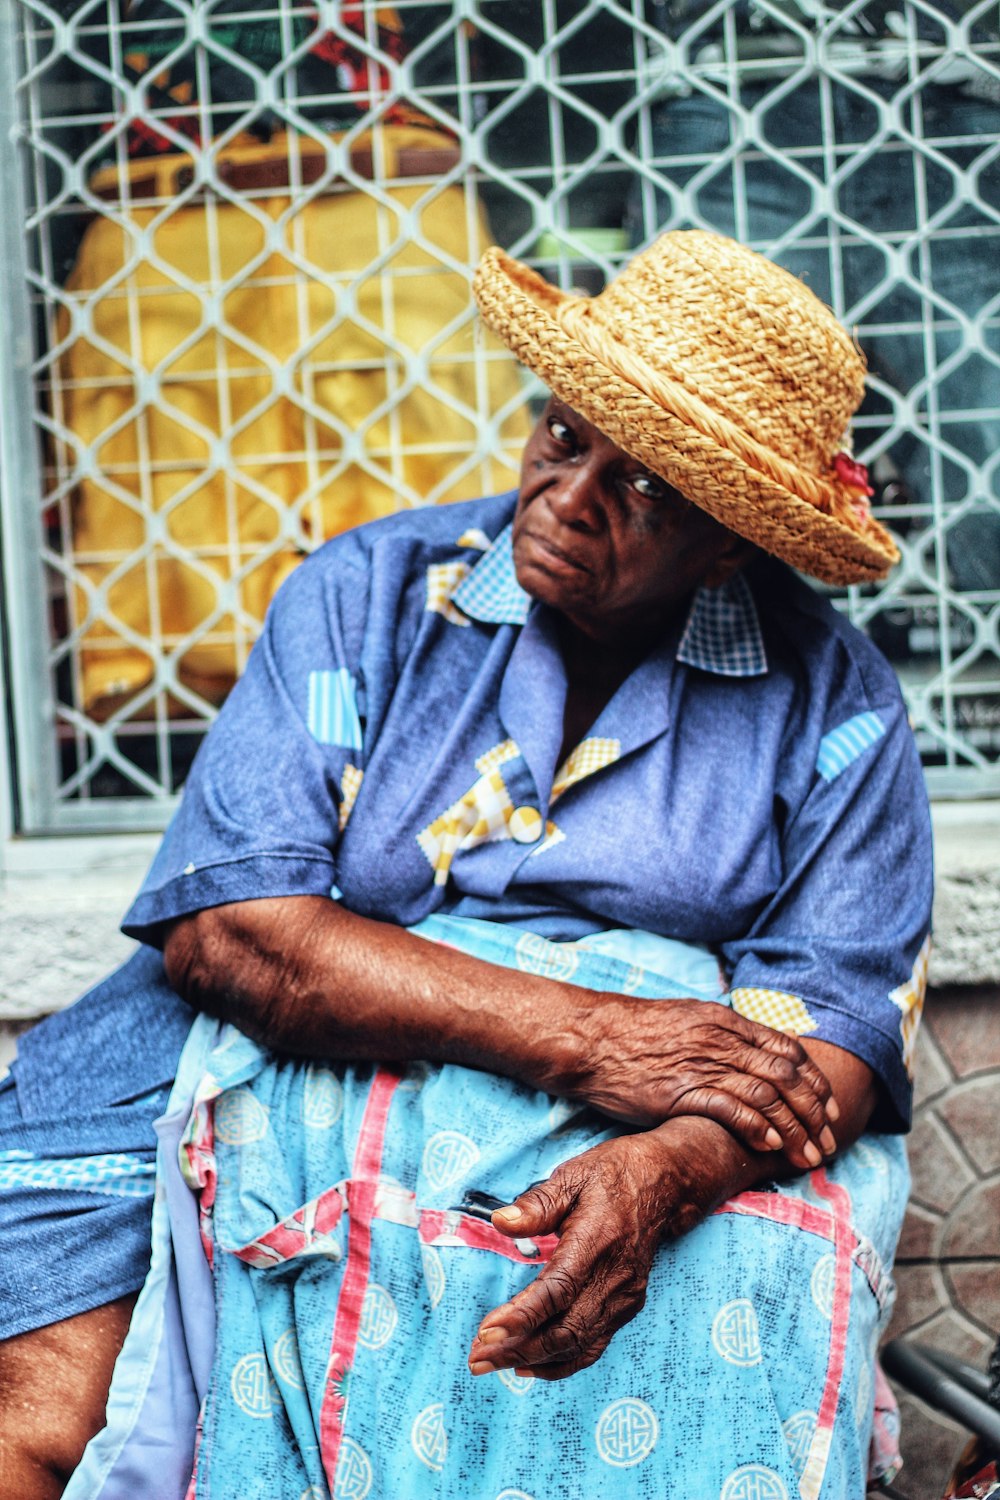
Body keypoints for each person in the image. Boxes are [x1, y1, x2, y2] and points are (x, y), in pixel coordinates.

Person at [0, 231, 933, 1499]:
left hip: (644, 1129)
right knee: (48, 1415)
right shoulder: (371, 593)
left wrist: (667, 1169)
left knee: (735, 1277)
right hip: (282, 1050)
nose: (571, 495)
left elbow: (832, 1032)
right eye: (564, 437)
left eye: (647, 487)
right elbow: (232, 929)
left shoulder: (832, 701)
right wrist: (603, 1041)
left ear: (731, 541)